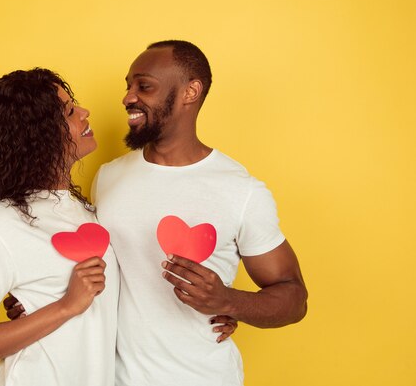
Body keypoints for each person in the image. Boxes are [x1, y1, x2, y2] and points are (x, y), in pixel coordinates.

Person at [92, 40, 308, 386]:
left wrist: (228, 301)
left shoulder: (241, 190)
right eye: (128, 86)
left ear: (190, 92)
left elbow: (294, 297)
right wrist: (33, 299)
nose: (128, 97)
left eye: (144, 86)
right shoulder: (108, 178)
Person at [0, 68, 119, 386]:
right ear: (39, 136)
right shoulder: (3, 222)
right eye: (69, 111)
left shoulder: (88, 211)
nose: (84, 113)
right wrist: (66, 306)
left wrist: (208, 315)